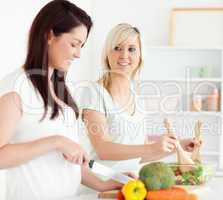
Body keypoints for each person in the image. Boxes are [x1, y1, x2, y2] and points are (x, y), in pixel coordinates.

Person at [0, 1, 124, 199]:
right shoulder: (16, 88)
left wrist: (107, 183)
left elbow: (69, 160)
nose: (78, 54)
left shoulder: (61, 91)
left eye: (81, 46)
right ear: (49, 35)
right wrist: (56, 142)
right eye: (74, 44)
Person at [79, 23, 200, 175]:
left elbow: (140, 154)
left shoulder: (137, 99)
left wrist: (179, 145)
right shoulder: (94, 92)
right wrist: (152, 147)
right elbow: (103, 149)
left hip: (130, 186)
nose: (124, 55)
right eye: (117, 48)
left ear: (140, 56)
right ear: (107, 54)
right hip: (100, 187)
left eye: (131, 49)